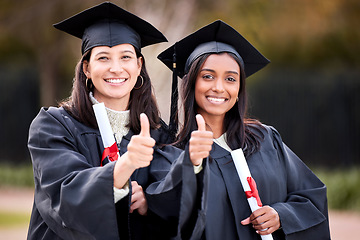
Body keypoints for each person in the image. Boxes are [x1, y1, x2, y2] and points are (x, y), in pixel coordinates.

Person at [154, 20, 331, 239]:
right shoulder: (171, 152)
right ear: (191, 83)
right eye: (207, 76)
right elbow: (162, 215)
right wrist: (191, 165)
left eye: (230, 78)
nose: (219, 87)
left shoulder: (265, 140)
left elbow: (311, 196)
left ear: (239, 88)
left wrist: (280, 215)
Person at [27, 2, 181, 239]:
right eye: (103, 58)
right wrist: (124, 166)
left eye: (126, 57)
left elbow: (175, 203)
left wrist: (151, 201)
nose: (116, 68)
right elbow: (65, 196)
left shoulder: (158, 135)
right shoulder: (53, 126)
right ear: (87, 68)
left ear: (139, 65)